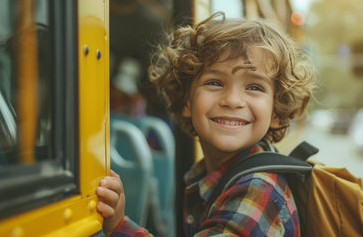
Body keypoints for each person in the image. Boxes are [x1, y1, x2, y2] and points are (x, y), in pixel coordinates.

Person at [97, 12, 314, 236]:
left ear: (276, 111)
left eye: (254, 87)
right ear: (187, 102)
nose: (232, 100)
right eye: (215, 82)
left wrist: (119, 227)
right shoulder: (214, 174)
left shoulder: (259, 188)